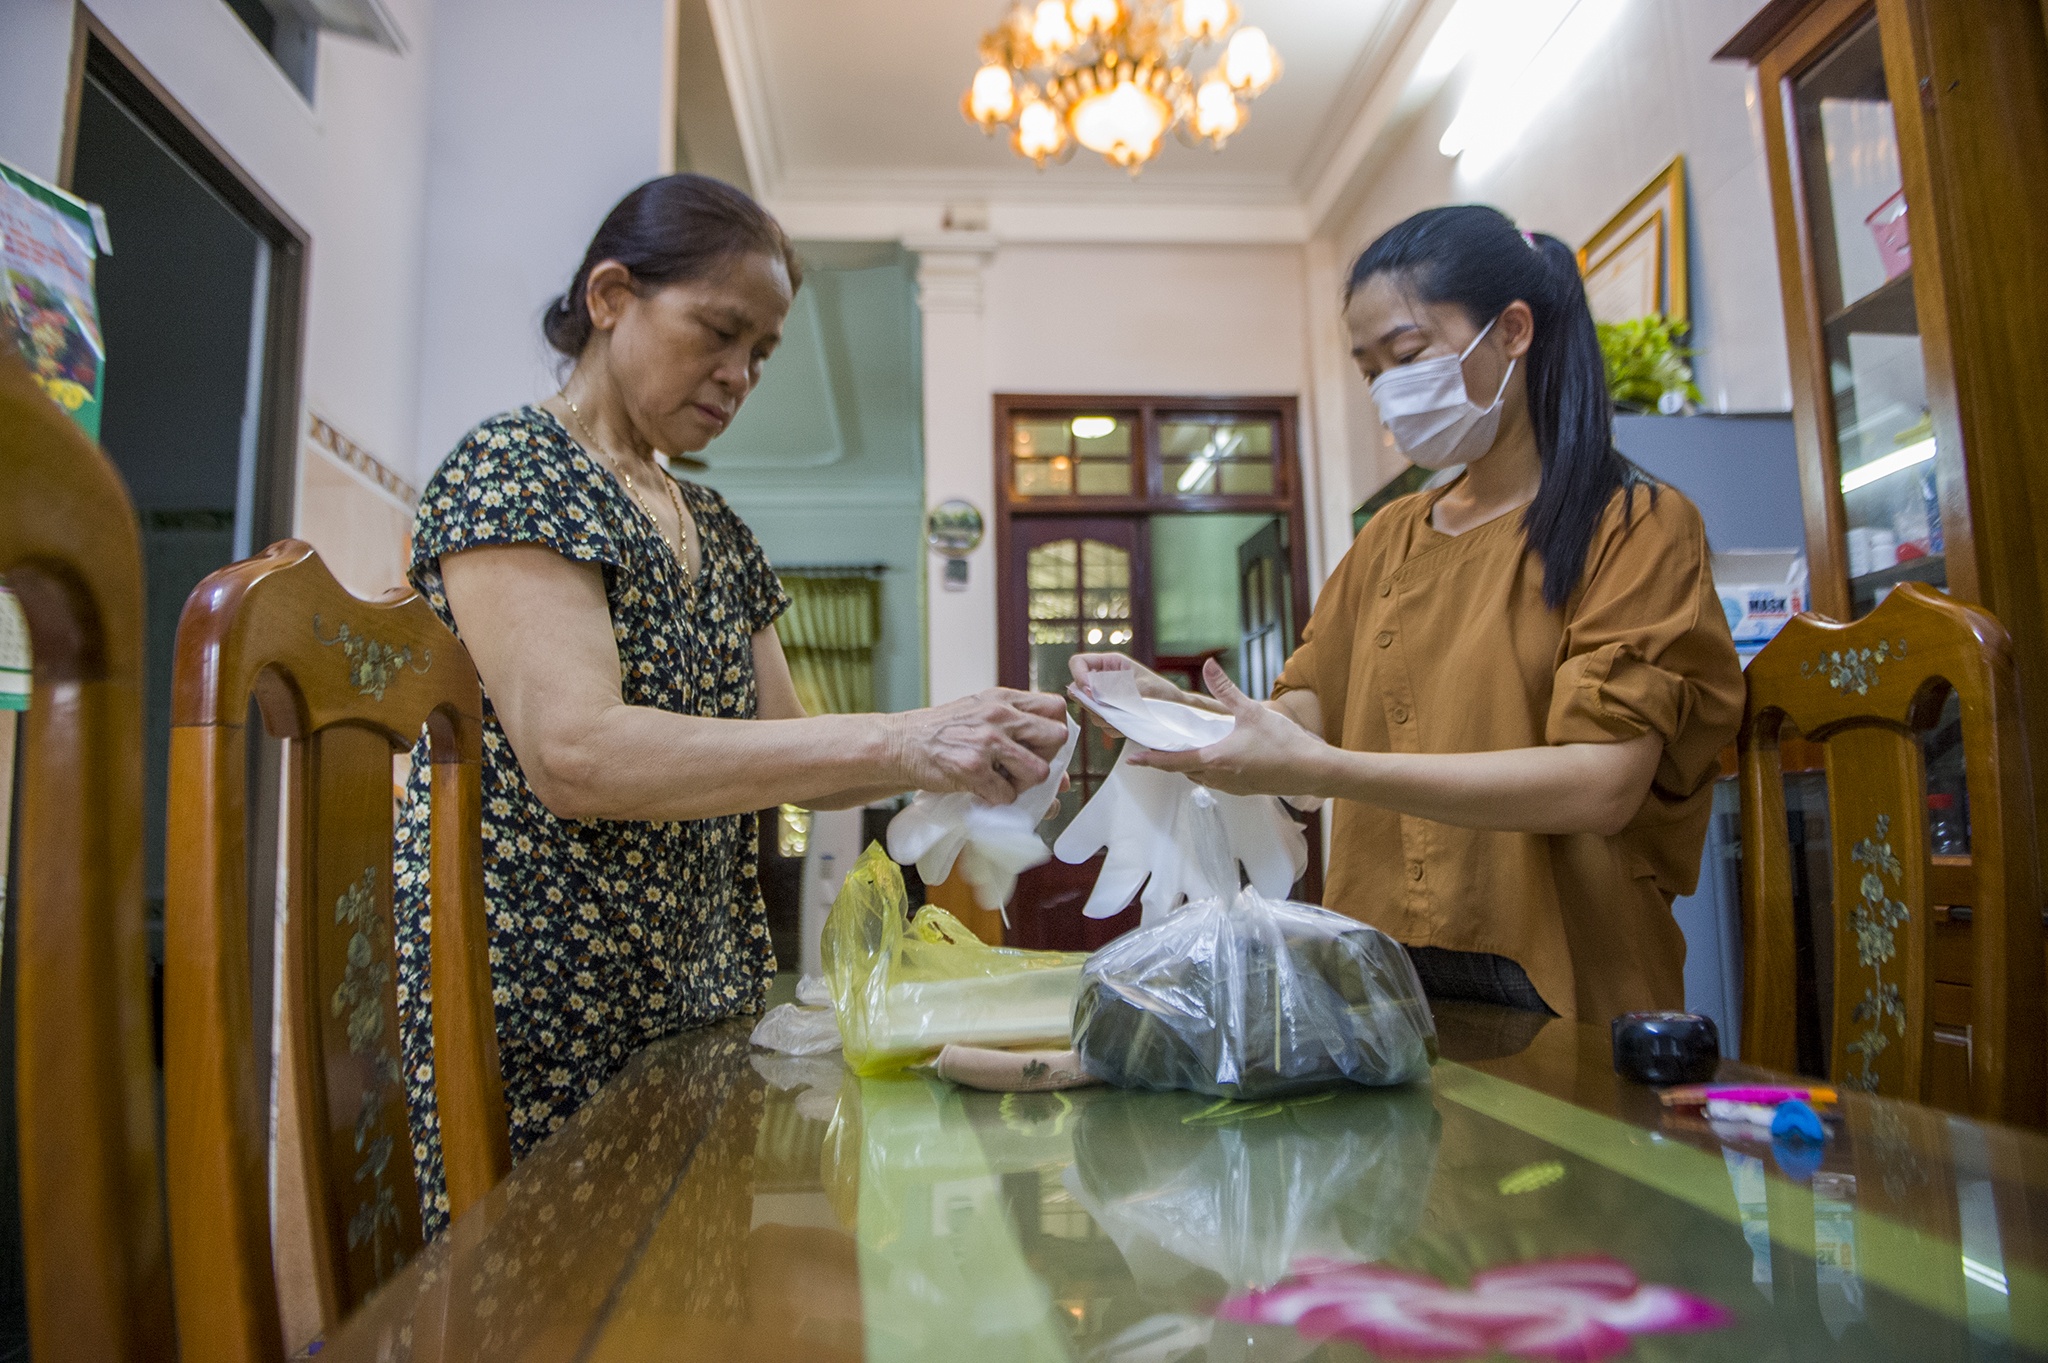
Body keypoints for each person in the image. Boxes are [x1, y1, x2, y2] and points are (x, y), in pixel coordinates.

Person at [394, 174, 1068, 1231]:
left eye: (760, 352)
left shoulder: (713, 522)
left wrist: (954, 744)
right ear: (610, 295)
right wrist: (909, 736)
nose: (739, 374)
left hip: (695, 998)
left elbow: (790, 747)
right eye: (719, 331)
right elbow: (575, 754)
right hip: (543, 1006)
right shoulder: (514, 470)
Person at [1070, 204, 1743, 1023]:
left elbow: (1600, 784)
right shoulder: (1390, 537)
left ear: (1514, 331)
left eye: (1409, 353)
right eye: (1369, 369)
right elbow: (1309, 709)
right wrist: (1178, 713)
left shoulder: (1636, 525)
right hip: (1384, 970)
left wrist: (1327, 769)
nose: (1389, 388)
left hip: (1565, 983)